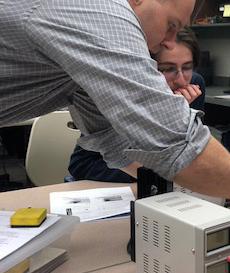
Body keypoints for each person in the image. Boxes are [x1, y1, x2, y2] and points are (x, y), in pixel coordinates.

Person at [0, 0, 230, 205]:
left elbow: (118, 142)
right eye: (171, 25)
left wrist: (221, 187)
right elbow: (173, 137)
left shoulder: (80, 5)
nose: (169, 42)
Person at [67, 27, 206, 182]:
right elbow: (81, 164)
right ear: (144, 70)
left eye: (187, 68)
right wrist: (160, 114)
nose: (181, 79)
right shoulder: (119, 89)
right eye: (167, 69)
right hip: (102, 186)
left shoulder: (193, 84)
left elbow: (186, 153)